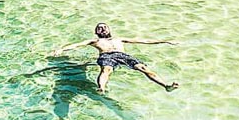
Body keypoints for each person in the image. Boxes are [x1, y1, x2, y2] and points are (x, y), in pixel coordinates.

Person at [50, 23, 179, 93]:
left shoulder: (119, 39)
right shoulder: (95, 41)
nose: (102, 29)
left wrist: (164, 41)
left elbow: (143, 40)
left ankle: (166, 85)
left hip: (124, 56)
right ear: (97, 32)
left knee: (143, 68)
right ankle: (102, 88)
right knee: (106, 70)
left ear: (109, 29)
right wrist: (62, 48)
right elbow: (77, 44)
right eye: (99, 28)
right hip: (106, 56)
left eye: (104, 27)